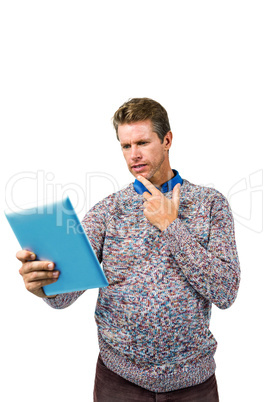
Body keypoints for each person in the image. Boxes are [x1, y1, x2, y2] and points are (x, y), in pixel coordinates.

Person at [17, 97, 240, 401]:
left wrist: (171, 225)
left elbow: (226, 292)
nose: (133, 155)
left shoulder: (210, 204)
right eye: (125, 146)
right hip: (119, 383)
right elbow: (64, 296)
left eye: (142, 142)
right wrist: (44, 286)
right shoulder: (108, 211)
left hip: (193, 385)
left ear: (167, 140)